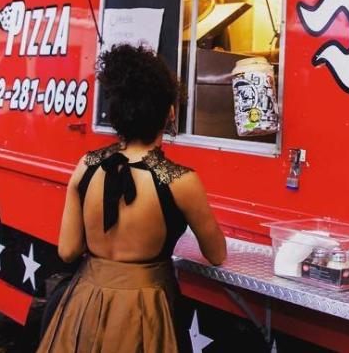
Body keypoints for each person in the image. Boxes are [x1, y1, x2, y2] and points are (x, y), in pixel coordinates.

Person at [37, 43, 227, 353]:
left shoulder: (86, 165)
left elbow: (68, 251)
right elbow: (216, 254)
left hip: (84, 306)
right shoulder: (179, 179)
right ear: (169, 112)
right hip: (148, 311)